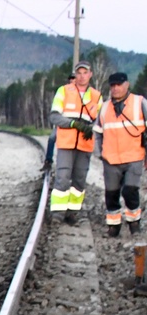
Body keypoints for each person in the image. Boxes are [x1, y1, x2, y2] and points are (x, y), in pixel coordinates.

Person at [48, 60, 102, 224]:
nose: (82, 76)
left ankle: (72, 212)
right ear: (75, 75)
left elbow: (101, 121)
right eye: (79, 73)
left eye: (85, 72)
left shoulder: (96, 96)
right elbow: (54, 116)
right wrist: (73, 124)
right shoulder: (63, 91)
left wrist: (90, 128)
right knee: (62, 178)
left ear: (90, 75)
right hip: (66, 143)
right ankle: (57, 213)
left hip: (85, 145)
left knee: (79, 179)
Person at [93, 72, 146, 237]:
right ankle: (113, 226)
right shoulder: (104, 107)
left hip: (134, 157)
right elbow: (98, 131)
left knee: (130, 191)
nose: (115, 88)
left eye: (119, 85)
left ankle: (134, 223)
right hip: (111, 159)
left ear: (127, 85)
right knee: (111, 193)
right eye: (113, 85)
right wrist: (99, 152)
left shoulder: (140, 102)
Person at [44, 72, 75, 172]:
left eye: (74, 79)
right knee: (52, 138)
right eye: (71, 79)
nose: (72, 81)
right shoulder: (64, 92)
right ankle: (48, 161)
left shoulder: (81, 94)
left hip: (75, 125)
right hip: (62, 123)